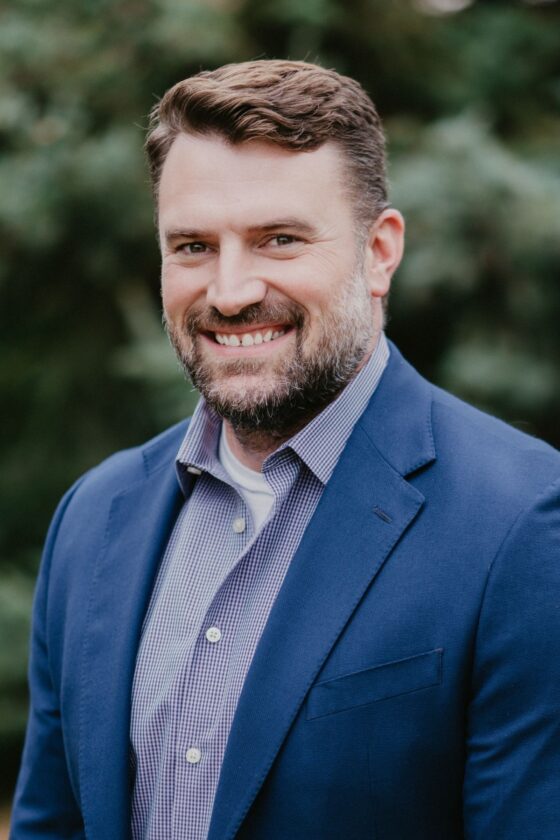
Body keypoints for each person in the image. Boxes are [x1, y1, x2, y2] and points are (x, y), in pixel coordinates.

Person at [10, 60, 560, 840]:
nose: (230, 291)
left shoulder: (525, 525)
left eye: (279, 240)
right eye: (193, 246)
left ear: (379, 252)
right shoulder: (93, 517)